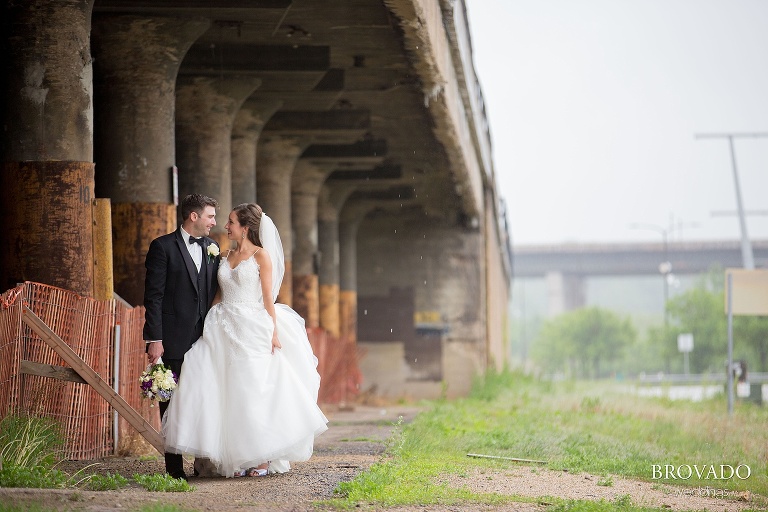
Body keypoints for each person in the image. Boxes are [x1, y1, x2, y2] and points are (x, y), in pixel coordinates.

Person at [163, 203, 328, 478]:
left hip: (250, 325)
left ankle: (260, 457)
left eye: (230, 222)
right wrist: (205, 324)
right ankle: (233, 457)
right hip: (220, 323)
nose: (225, 227)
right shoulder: (223, 254)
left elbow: (267, 299)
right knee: (220, 387)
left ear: (245, 227)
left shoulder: (262, 256)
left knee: (251, 388)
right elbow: (218, 293)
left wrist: (273, 331)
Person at [143, 193, 220, 480]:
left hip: (206, 337)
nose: (215, 222)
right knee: (170, 400)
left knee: (204, 396)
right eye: (210, 216)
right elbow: (154, 296)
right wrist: (154, 338)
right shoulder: (162, 247)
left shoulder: (213, 247)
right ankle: (174, 468)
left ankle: (203, 461)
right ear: (194, 216)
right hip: (172, 337)